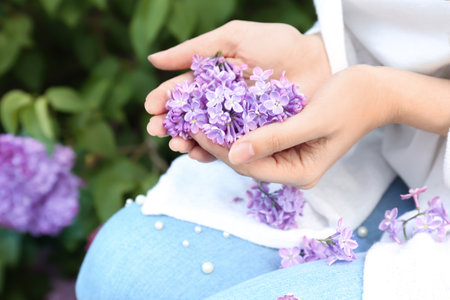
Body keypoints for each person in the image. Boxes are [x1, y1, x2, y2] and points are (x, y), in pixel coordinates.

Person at [76, 0, 450, 299]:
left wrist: (391, 97)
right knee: (118, 272)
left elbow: (381, 94)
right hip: (399, 132)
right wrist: (328, 53)